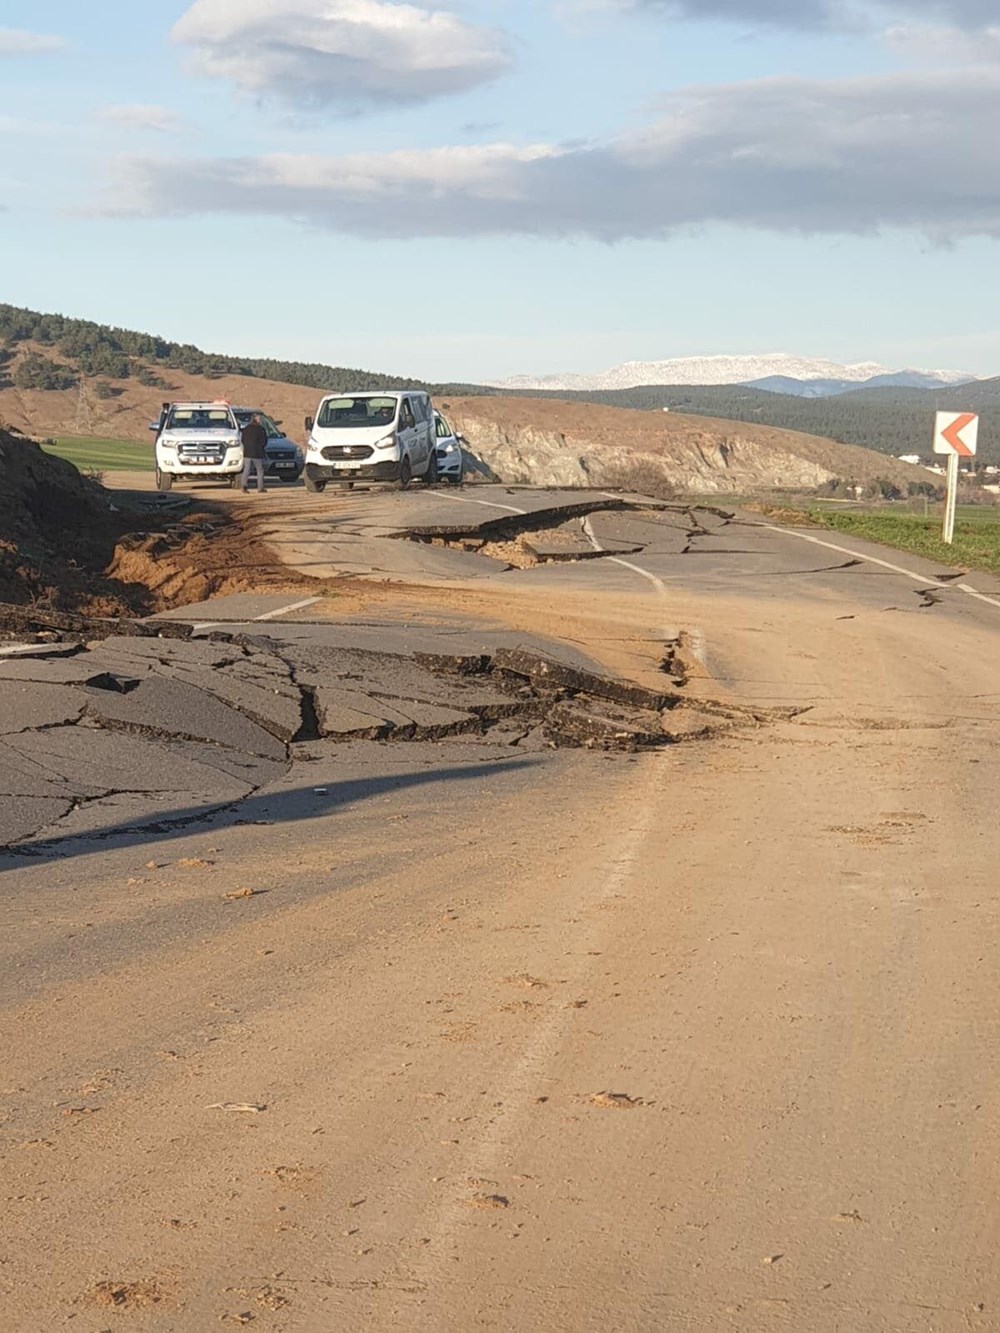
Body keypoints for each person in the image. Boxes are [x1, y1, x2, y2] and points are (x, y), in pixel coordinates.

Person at [241, 412, 268, 493]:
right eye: (259, 419)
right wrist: (261, 447)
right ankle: (260, 488)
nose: (260, 420)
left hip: (247, 453)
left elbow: (243, 440)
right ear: (256, 419)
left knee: (246, 470)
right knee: (260, 470)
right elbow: (264, 442)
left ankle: (244, 486)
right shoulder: (261, 429)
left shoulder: (246, 429)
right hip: (257, 453)